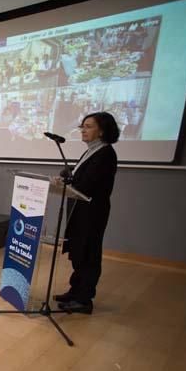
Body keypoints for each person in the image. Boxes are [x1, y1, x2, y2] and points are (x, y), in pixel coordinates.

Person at [56, 111, 119, 314]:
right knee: (78, 251)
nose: (83, 130)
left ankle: (84, 300)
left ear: (102, 130)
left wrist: (71, 179)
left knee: (88, 253)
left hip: (92, 212)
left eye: (88, 126)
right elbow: (81, 181)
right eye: (82, 126)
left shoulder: (106, 153)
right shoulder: (91, 151)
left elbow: (88, 185)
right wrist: (69, 177)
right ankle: (75, 291)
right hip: (80, 209)